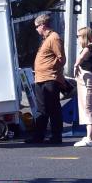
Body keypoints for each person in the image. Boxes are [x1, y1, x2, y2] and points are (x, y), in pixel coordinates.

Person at [27, 13, 65, 144]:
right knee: (42, 109)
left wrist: (52, 68)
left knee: (53, 108)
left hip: (50, 78)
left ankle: (56, 135)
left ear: (43, 25)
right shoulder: (46, 39)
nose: (36, 29)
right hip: (41, 78)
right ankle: (39, 136)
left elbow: (61, 59)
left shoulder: (54, 38)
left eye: (37, 26)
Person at [73, 27, 92, 147]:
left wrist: (75, 66)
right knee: (91, 107)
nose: (78, 39)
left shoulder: (89, 47)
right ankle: (90, 136)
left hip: (87, 80)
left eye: (78, 36)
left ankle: (90, 139)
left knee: (88, 107)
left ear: (84, 36)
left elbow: (80, 58)